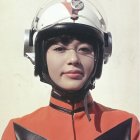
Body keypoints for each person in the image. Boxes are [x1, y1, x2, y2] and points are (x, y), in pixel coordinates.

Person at [2, 0, 140, 140]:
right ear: (40, 57)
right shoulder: (18, 132)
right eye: (60, 49)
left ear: (100, 57)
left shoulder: (126, 126)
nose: (73, 59)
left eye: (84, 49)